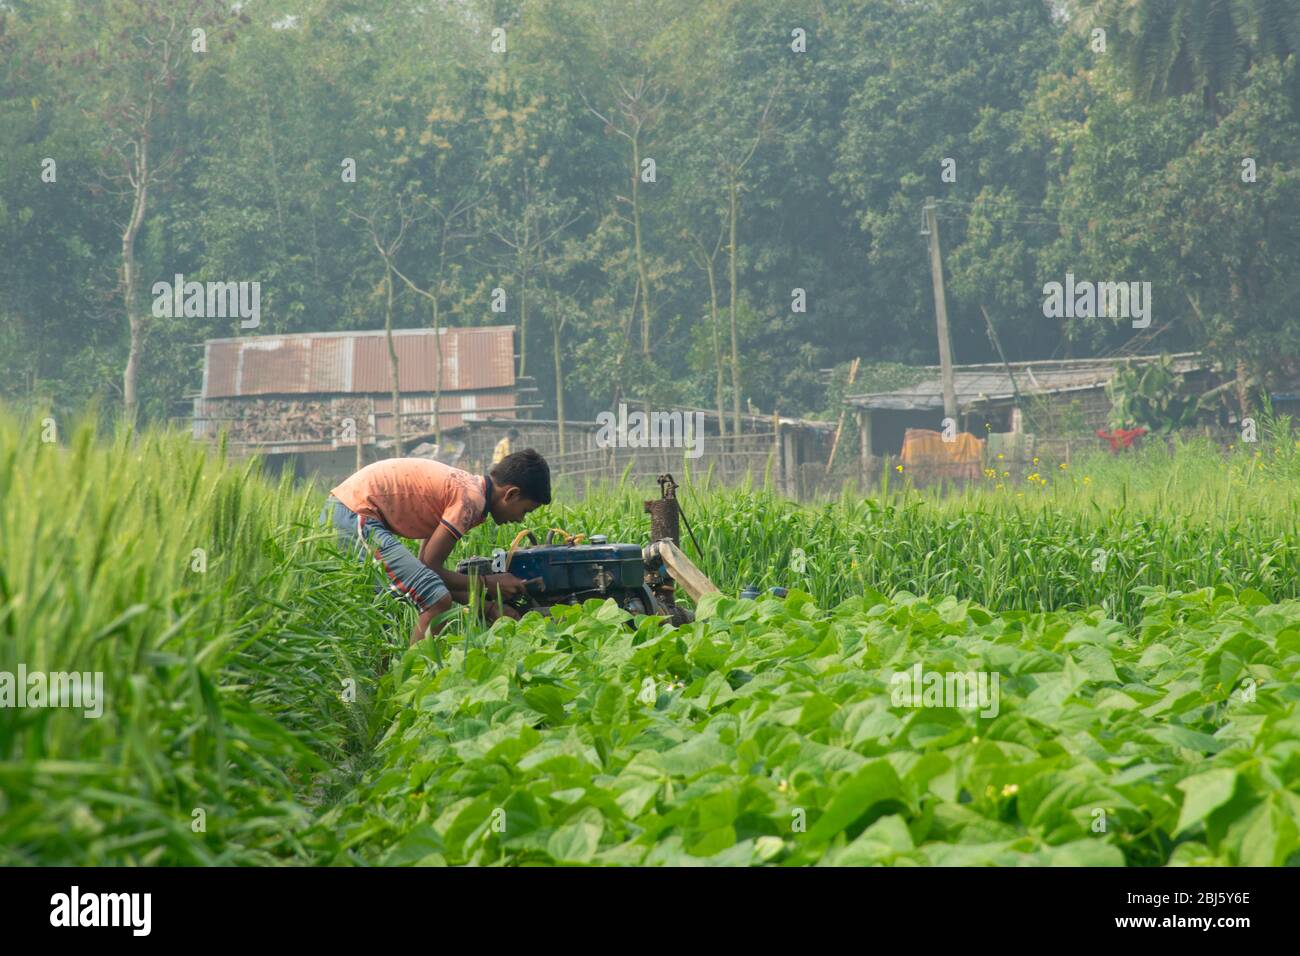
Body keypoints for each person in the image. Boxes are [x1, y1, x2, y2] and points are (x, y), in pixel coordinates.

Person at [322, 449, 550, 645]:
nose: (521, 520)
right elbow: (432, 569)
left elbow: (429, 573)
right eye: (525, 511)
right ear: (511, 494)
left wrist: (488, 607)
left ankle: (390, 676)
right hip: (353, 513)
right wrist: (491, 584)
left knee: (402, 602)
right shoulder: (471, 500)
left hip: (349, 510)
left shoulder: (469, 491)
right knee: (436, 600)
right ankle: (414, 678)